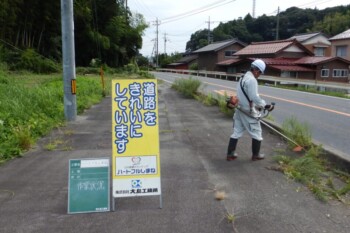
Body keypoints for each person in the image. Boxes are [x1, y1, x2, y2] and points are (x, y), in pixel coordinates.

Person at [226, 59, 274, 161]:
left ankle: (230, 154)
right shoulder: (252, 80)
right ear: (256, 70)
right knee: (257, 133)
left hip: (239, 109)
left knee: (236, 132)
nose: (259, 75)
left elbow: (245, 95)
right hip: (248, 111)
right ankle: (255, 155)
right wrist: (265, 105)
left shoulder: (242, 77)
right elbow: (254, 97)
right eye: (260, 72)